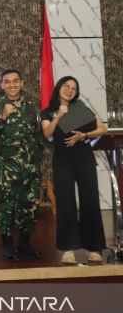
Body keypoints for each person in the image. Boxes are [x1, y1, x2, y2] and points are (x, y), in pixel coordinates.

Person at [41, 76, 107, 264]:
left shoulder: (80, 108)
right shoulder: (48, 111)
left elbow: (102, 129)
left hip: (85, 160)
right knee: (66, 204)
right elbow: (47, 133)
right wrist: (59, 116)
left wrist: (84, 135)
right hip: (63, 162)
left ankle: (94, 248)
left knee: (90, 202)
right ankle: (68, 249)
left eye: (73, 88)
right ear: (59, 87)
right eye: (66, 86)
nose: (70, 90)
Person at [0, 69, 43, 261]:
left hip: (30, 167)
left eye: (15, 81)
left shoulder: (31, 108)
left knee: (30, 205)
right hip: (8, 167)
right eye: (7, 82)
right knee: (7, 206)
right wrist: (2, 116)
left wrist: (36, 160)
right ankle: (7, 244)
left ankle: (25, 243)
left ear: (22, 83)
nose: (12, 85)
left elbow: (38, 135)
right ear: (2, 85)